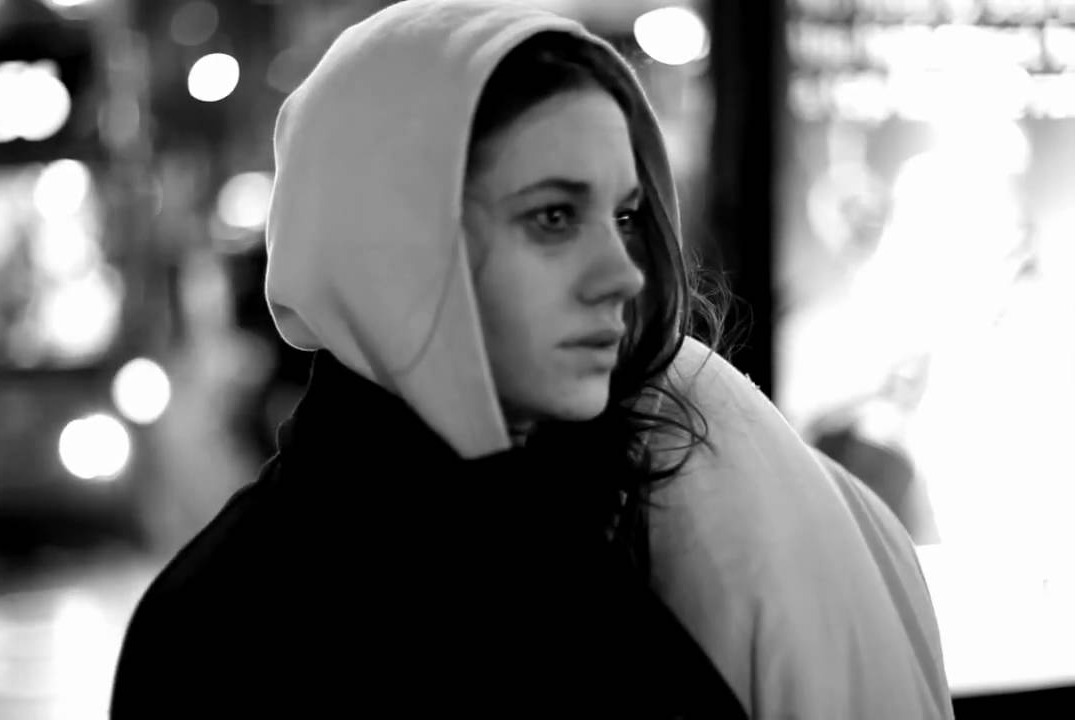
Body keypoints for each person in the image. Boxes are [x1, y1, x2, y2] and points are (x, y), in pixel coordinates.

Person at [111, 1, 954, 716]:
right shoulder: (226, 631)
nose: (623, 274)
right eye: (553, 218)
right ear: (393, 246)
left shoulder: (603, 531)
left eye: (626, 216)